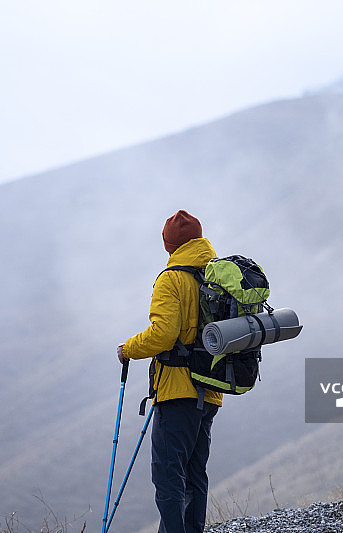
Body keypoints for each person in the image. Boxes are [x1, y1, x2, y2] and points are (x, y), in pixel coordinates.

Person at [117, 209, 222, 533]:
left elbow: (163, 333)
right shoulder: (215, 274)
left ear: (170, 245)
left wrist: (128, 349)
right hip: (212, 387)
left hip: (177, 390)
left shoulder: (172, 278)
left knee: (167, 476)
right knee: (194, 473)